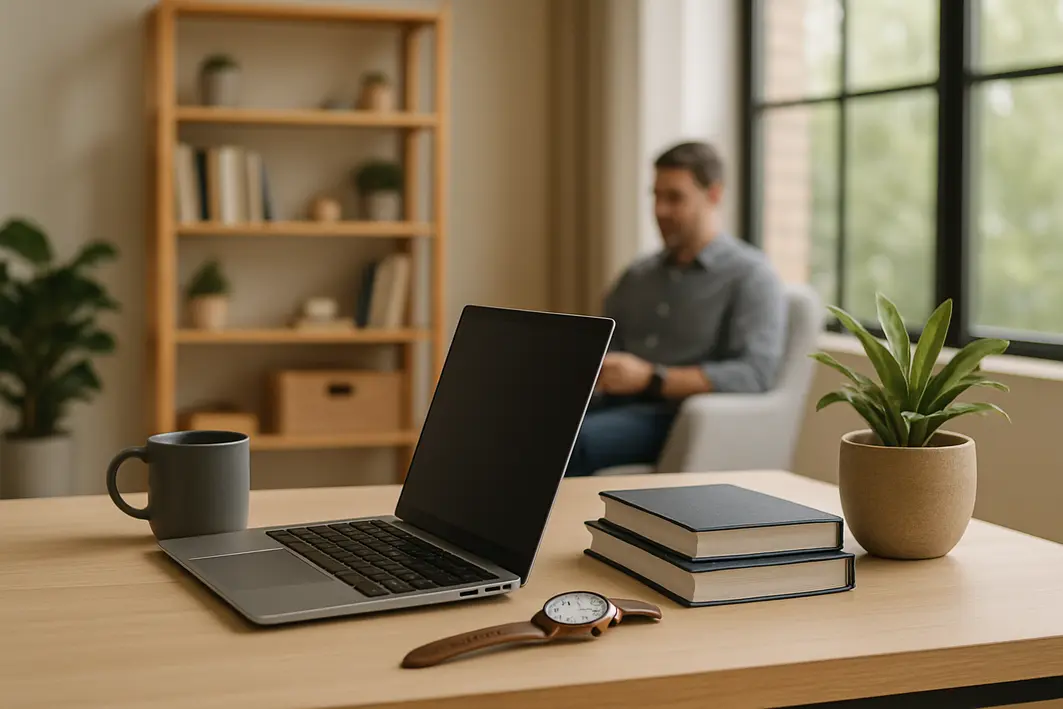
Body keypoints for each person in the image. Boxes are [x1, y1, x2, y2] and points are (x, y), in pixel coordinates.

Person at [565, 141, 787, 477]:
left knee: (568, 443)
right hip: (606, 404)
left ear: (714, 195)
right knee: (520, 422)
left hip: (675, 417)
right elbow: (605, 346)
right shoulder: (638, 275)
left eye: (675, 198)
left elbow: (754, 373)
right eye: (655, 196)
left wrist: (652, 378)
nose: (660, 210)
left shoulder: (751, 276)